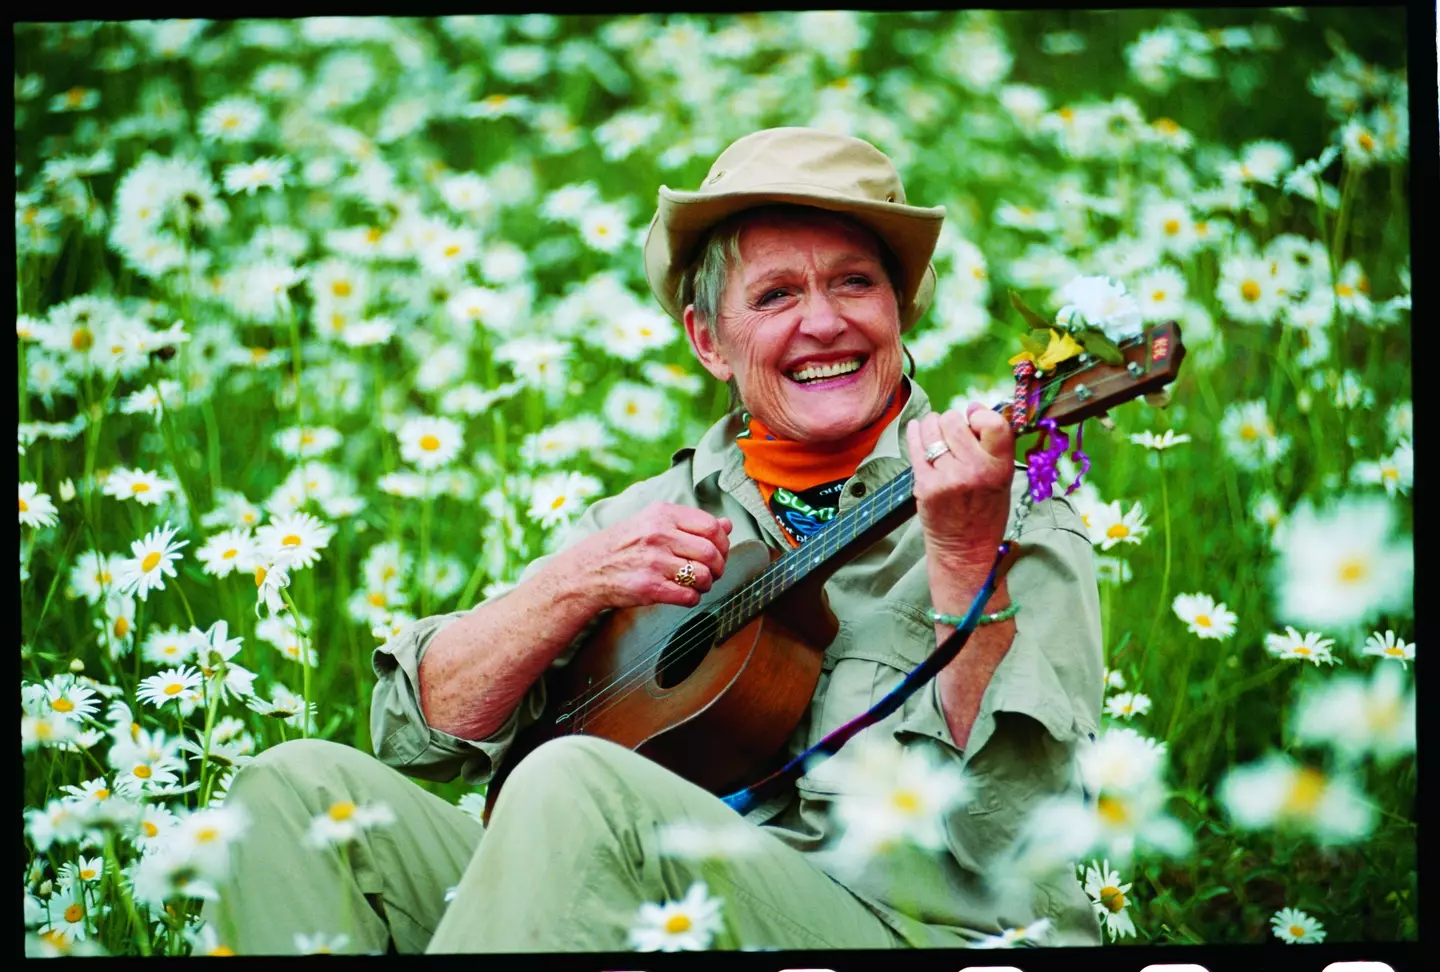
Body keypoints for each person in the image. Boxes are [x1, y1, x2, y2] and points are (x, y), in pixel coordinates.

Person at [205, 127, 1104, 954]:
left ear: (900, 310)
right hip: (660, 913)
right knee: (297, 789)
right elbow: (417, 739)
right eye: (777, 294)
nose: (823, 321)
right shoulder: (652, 518)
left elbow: (1014, 836)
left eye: (854, 283)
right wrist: (567, 585)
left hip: (909, 934)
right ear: (709, 340)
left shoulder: (1005, 513)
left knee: (574, 786)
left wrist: (960, 565)